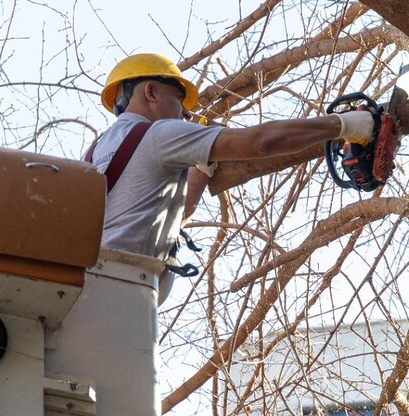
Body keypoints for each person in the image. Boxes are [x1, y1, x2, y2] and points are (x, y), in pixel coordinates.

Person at [87, 53, 374, 297]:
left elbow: (160, 211)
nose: (184, 114)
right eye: (178, 100)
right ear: (150, 92)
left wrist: (200, 166)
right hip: (122, 286)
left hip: (96, 286)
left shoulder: (95, 151)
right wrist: (345, 125)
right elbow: (258, 142)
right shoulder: (159, 134)